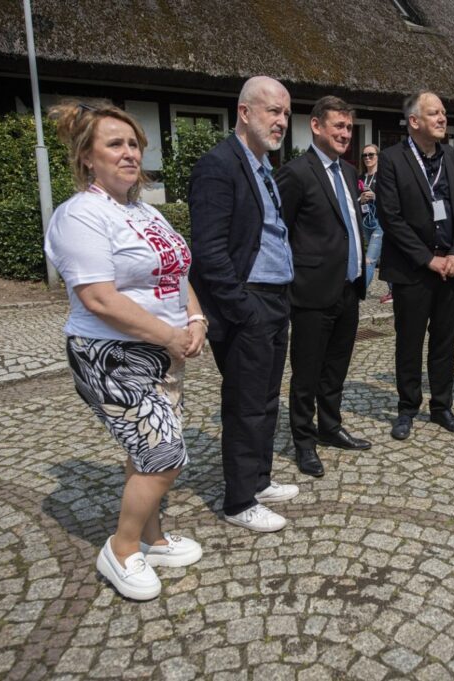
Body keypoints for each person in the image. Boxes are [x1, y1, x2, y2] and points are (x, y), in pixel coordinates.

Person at [44, 101, 204, 601]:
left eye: (134, 144)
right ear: (87, 157)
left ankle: (153, 538)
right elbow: (98, 297)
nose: (129, 153)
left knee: (148, 449)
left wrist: (195, 318)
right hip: (109, 355)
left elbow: (177, 274)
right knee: (164, 452)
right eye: (115, 144)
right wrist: (169, 334)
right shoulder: (81, 215)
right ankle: (122, 548)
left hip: (162, 352)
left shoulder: (144, 210)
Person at [188, 76, 299, 533]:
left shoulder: (263, 166)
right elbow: (209, 251)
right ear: (245, 112)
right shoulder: (219, 165)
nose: (281, 122)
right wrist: (241, 308)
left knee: (268, 400)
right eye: (273, 111)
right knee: (244, 403)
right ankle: (238, 501)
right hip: (249, 304)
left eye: (287, 114)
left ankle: (259, 479)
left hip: (276, 300)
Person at [275, 96, 370, 478]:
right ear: (316, 126)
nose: (346, 134)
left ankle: (330, 427)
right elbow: (279, 233)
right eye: (339, 127)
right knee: (307, 373)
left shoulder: (348, 173)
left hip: (348, 288)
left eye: (349, 128)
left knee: (336, 368)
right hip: (312, 292)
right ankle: (304, 440)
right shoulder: (296, 173)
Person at [376, 90, 454, 440]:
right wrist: (428, 258)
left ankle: (442, 405)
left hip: (451, 268)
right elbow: (391, 217)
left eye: (444, 112)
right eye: (434, 113)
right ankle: (407, 408)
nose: (442, 119)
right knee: (410, 340)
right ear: (414, 121)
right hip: (413, 270)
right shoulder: (391, 159)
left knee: (445, 341)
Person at [358, 143, 392, 303]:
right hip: (366, 222)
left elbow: (391, 201)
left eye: (371, 155)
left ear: (378, 157)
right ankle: (394, 290)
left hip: (380, 223)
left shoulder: (384, 177)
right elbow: (353, 200)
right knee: (385, 257)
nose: (367, 158)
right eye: (365, 155)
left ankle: (357, 294)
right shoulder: (360, 178)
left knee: (369, 259)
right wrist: (361, 199)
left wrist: (375, 196)